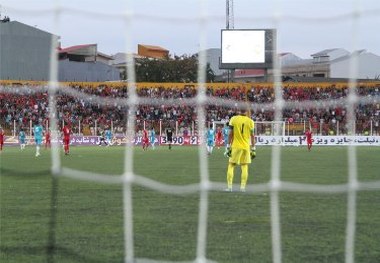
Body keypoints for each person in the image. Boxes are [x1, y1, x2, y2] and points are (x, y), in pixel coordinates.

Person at [225, 109, 255, 192]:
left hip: (236, 146)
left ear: (238, 111)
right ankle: (242, 188)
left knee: (231, 165)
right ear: (246, 112)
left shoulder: (233, 119)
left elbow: (230, 133)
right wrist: (253, 148)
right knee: (244, 166)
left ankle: (230, 187)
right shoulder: (250, 121)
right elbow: (252, 136)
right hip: (246, 147)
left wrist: (228, 146)